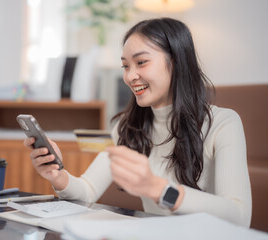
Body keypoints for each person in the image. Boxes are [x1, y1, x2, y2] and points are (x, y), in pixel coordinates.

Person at [24, 18, 252, 227]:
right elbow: (88, 191)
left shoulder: (224, 123)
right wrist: (58, 176)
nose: (130, 76)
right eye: (125, 66)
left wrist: (158, 188)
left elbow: (239, 215)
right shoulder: (127, 127)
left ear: (177, 62)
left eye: (141, 62)